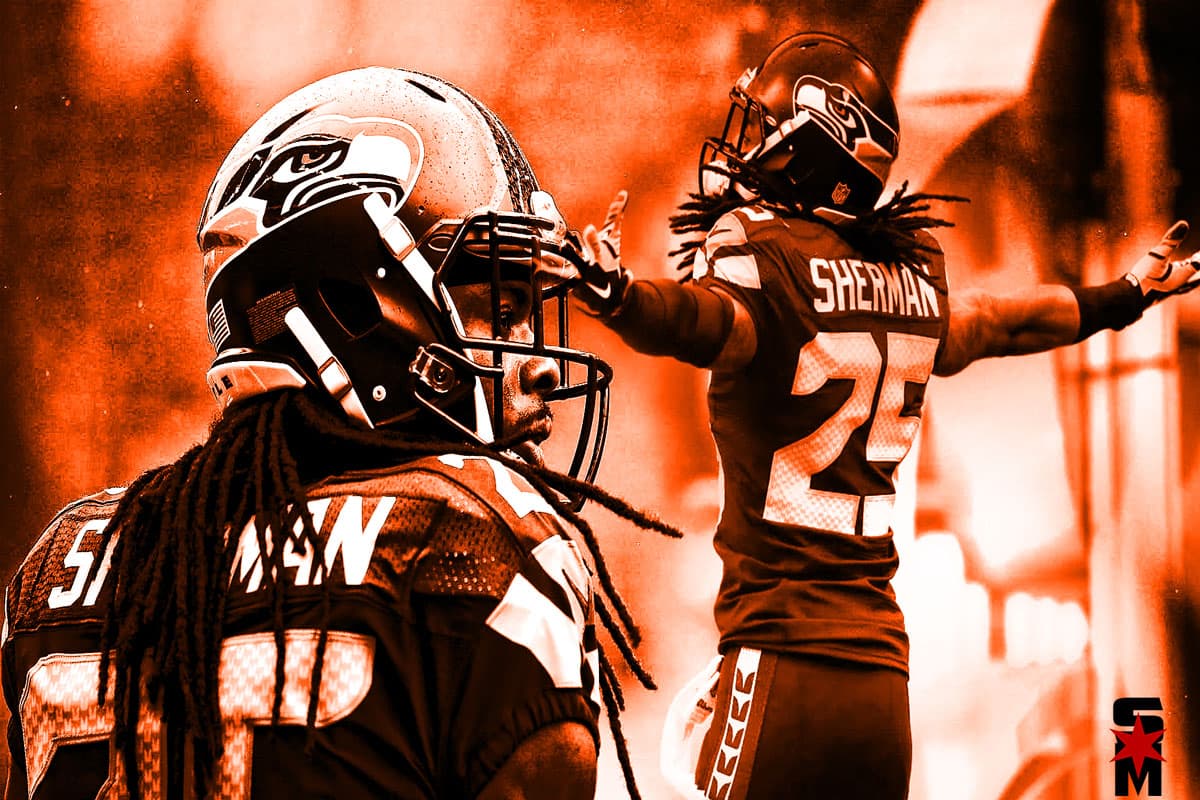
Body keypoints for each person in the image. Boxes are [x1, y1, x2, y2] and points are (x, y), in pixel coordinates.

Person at [2, 67, 672, 800]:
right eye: (502, 311)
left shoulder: (61, 564)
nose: (539, 364)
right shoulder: (464, 544)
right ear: (352, 302)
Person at [568, 32, 1200, 800]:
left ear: (816, 144)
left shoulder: (763, 261)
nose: (750, 149)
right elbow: (1004, 322)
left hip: (781, 662)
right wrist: (1124, 297)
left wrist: (618, 297)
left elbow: (700, 322)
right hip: (880, 685)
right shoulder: (910, 280)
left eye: (768, 130)